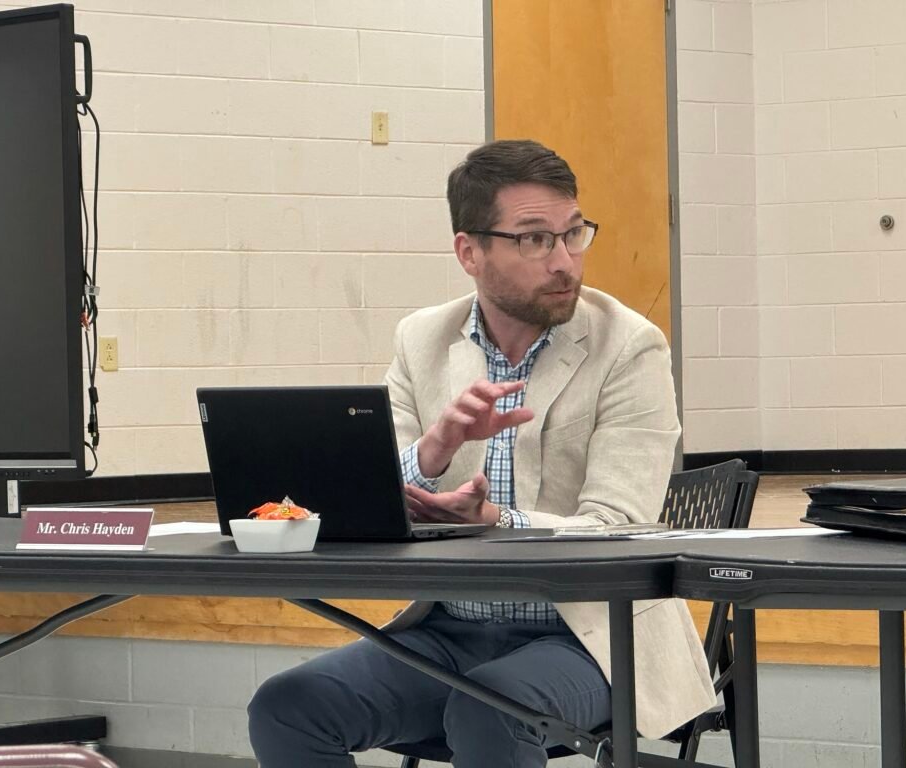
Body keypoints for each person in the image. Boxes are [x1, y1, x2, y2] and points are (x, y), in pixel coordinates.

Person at [247, 139, 715, 768]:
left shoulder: (630, 347)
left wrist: (498, 523)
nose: (564, 261)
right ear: (470, 251)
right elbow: (368, 498)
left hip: (591, 637)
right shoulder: (423, 338)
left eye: (573, 234)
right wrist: (434, 450)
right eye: (533, 239)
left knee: (492, 707)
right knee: (288, 705)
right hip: (448, 631)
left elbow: (620, 529)